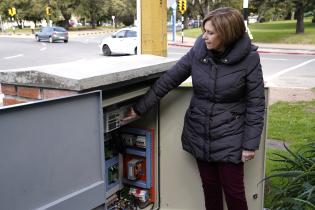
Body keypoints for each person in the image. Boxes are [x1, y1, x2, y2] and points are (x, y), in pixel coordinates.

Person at [122, 7, 265, 210]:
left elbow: (256, 103)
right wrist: (139, 109)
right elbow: (170, 79)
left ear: (226, 34)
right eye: (204, 31)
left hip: (230, 135)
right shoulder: (199, 51)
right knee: (210, 188)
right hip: (200, 131)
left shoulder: (249, 58)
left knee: (234, 194)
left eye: (210, 32)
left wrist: (250, 144)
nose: (204, 36)